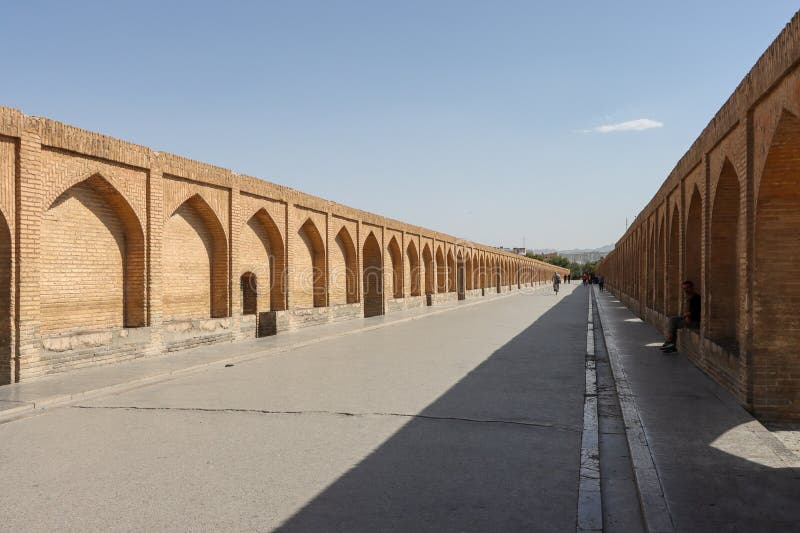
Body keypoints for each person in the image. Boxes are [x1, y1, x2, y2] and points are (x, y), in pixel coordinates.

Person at [661, 281, 700, 353]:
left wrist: (688, 316)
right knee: (673, 319)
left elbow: (696, 312)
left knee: (674, 323)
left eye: (687, 288)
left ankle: (670, 342)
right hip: (688, 318)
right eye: (684, 288)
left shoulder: (696, 298)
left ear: (692, 288)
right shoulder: (689, 298)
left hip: (694, 321)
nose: (685, 290)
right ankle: (670, 343)